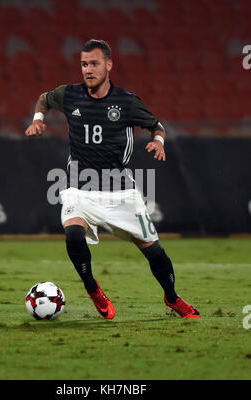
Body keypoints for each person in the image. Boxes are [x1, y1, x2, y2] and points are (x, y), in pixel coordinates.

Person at [25, 39, 200, 319]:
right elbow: (44, 99)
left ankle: (171, 297)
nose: (88, 70)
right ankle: (94, 289)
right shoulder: (69, 94)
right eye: (84, 64)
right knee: (72, 233)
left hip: (120, 191)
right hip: (78, 184)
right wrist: (37, 119)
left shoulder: (126, 101)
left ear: (108, 65)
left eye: (94, 63)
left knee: (154, 251)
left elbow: (156, 125)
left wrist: (158, 141)